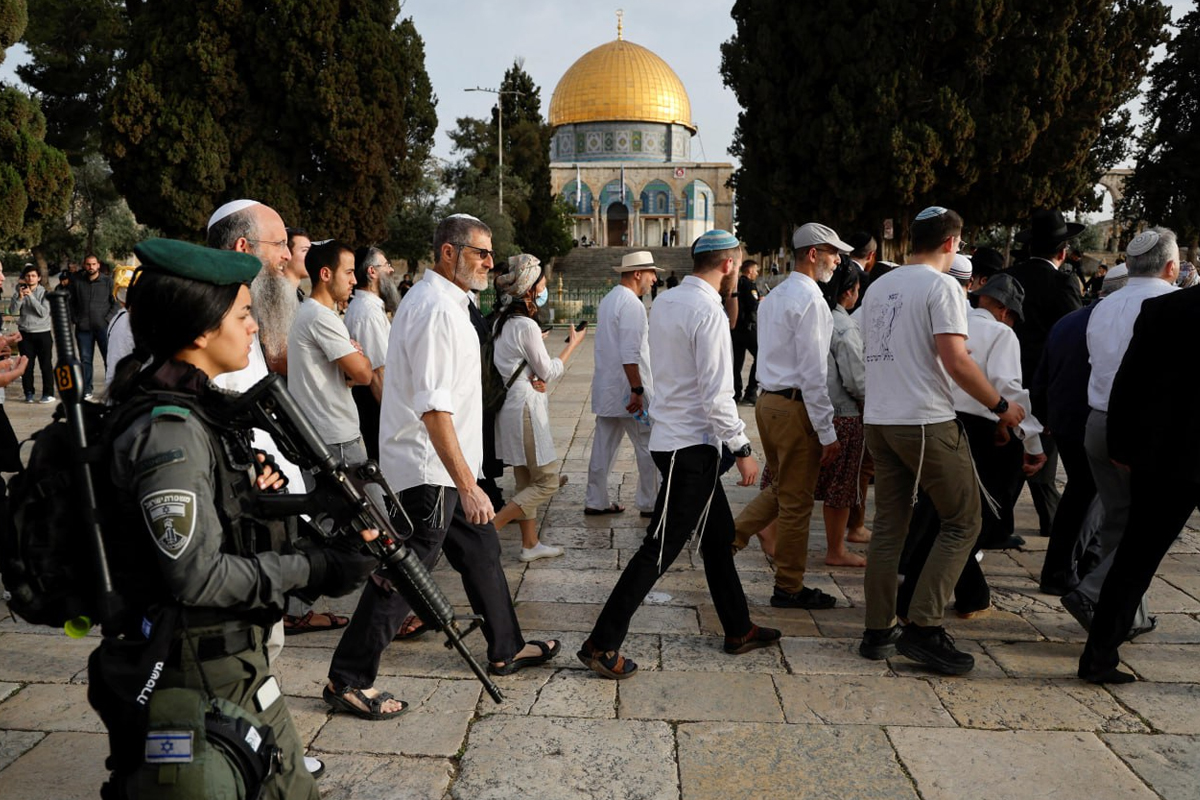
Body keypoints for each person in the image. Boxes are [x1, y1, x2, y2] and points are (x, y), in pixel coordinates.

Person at [92, 238, 378, 798]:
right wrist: (311, 568)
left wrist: (301, 513)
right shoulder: (169, 434)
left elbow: (228, 516)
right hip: (197, 671)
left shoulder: (201, 410)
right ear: (201, 331)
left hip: (236, 665)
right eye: (244, 314)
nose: (253, 328)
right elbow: (195, 576)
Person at [325, 214, 559, 719]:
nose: (489, 263)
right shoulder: (434, 308)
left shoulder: (448, 304)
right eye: (480, 253)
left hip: (443, 468)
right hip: (433, 470)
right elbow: (434, 408)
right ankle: (348, 678)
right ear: (448, 253)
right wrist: (468, 484)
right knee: (406, 572)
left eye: (491, 254)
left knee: (482, 551)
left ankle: (506, 646)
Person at [578, 230, 780, 679]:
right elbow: (717, 394)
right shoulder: (706, 310)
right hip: (692, 448)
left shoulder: (667, 301)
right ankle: (601, 642)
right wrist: (743, 448)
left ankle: (738, 628)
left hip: (673, 440)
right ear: (729, 265)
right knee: (658, 549)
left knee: (717, 539)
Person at [858, 206, 1025, 675]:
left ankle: (877, 630)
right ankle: (925, 628)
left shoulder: (879, 287)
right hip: (924, 420)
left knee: (890, 525)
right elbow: (955, 360)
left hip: (881, 419)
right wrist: (1000, 406)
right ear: (953, 243)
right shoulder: (943, 286)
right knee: (963, 520)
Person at [1077, 284, 1200, 683]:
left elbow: (1129, 381)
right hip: (1169, 458)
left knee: (1133, 559)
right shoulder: (1160, 308)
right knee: (1134, 559)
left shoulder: (1163, 309)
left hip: (1164, 457)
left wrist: (1121, 446)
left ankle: (1098, 658)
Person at [1062, 227, 1180, 637]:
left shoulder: (1106, 304)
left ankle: (1130, 615)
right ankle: (1093, 591)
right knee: (1150, 527)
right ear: (1171, 266)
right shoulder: (1170, 304)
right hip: (1142, 429)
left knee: (1119, 520)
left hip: (1097, 421)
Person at [732, 222, 847, 610]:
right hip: (795, 406)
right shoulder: (812, 300)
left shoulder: (777, 294)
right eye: (832, 252)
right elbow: (814, 373)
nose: (838, 259)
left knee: (783, 488)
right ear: (813, 254)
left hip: (769, 402)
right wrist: (827, 432)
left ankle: (729, 538)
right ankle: (789, 586)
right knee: (796, 503)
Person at [489, 254, 585, 561]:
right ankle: (493, 527)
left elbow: (522, 365)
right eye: (541, 283)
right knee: (547, 480)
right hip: (526, 410)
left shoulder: (503, 322)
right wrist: (572, 344)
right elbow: (547, 371)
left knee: (523, 480)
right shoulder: (526, 325)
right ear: (530, 287)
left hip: (511, 407)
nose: (544, 287)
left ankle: (530, 544)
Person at [1006, 210, 1085, 539]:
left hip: (1006, 376)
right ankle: (1052, 520)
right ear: (1062, 252)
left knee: (1010, 451)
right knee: (1041, 457)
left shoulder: (1008, 277)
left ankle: (1000, 522)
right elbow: (1072, 336)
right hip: (1045, 382)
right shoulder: (1063, 282)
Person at [286, 240, 374, 476]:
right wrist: (358, 355)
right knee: (371, 512)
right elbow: (364, 375)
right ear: (326, 273)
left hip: (324, 434)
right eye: (348, 272)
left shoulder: (309, 312)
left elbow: (347, 377)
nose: (354, 280)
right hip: (337, 440)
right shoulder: (321, 317)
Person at [585, 251, 661, 517]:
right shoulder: (632, 305)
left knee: (603, 447)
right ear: (637, 273)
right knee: (648, 445)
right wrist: (637, 390)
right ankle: (649, 502)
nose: (654, 279)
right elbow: (631, 354)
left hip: (608, 389)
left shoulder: (609, 299)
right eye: (651, 273)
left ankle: (596, 499)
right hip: (629, 392)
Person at [815, 258, 869, 567]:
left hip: (812, 407)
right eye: (857, 288)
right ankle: (835, 549)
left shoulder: (818, 317)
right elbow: (856, 379)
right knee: (841, 485)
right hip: (843, 413)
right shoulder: (845, 327)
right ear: (847, 291)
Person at [344, 246, 396, 462]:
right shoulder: (367, 313)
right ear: (372, 271)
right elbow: (377, 372)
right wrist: (393, 420)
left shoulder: (370, 308)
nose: (392, 270)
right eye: (387, 265)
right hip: (377, 408)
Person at [67, 253, 119, 398]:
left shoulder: (108, 282)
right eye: (88, 264)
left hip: (103, 327)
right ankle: (87, 389)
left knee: (109, 359)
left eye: (93, 264)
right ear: (84, 265)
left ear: (98, 265)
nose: (91, 267)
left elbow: (115, 303)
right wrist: (75, 318)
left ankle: (111, 389)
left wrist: (107, 319)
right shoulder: (77, 282)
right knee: (85, 359)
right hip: (83, 328)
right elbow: (71, 303)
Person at [10, 264, 54, 403]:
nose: (30, 278)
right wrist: (20, 298)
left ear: (39, 278)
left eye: (33, 276)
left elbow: (43, 312)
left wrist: (31, 297)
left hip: (42, 333)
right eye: (28, 276)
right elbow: (12, 312)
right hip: (25, 333)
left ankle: (48, 393)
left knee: (45, 365)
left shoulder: (45, 293)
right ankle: (28, 392)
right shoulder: (19, 291)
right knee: (27, 365)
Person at [731, 258, 760, 405]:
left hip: (735, 329)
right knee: (761, 356)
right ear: (749, 271)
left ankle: (735, 394)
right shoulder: (750, 285)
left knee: (736, 363)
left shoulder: (735, 284)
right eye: (755, 270)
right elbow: (753, 304)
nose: (757, 273)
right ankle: (751, 392)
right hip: (748, 328)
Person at [284, 227, 312, 304]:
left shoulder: (298, 295)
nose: (311, 256)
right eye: (305, 250)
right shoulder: (277, 297)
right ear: (287, 254)